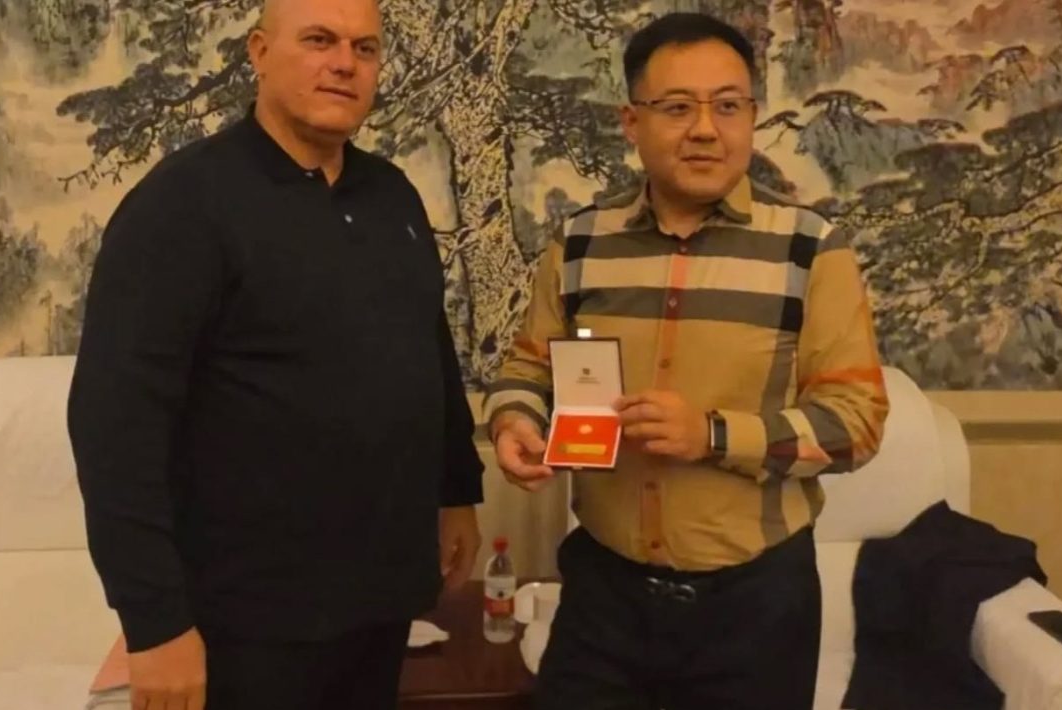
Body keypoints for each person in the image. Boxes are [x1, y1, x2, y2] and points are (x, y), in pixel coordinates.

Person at [66, 0, 484, 708]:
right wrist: (155, 622)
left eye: (365, 48)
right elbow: (115, 424)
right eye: (319, 40)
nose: (345, 63)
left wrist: (456, 491)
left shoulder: (391, 195)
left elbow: (427, 348)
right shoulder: (183, 204)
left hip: (380, 602)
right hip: (247, 621)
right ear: (259, 52)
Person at [486, 12, 890, 710]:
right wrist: (513, 420)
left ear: (752, 117)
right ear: (631, 122)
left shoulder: (811, 249)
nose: (705, 129)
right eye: (677, 107)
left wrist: (711, 434)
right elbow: (529, 369)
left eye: (728, 106)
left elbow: (855, 425)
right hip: (603, 597)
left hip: (755, 607)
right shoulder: (579, 243)